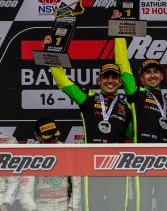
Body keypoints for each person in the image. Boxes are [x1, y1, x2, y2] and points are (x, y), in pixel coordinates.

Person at [44, 35, 133, 210]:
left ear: (120, 81)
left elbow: (133, 135)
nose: (110, 80)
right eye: (105, 76)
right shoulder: (87, 99)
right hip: (92, 164)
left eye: (114, 77)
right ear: (98, 80)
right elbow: (63, 82)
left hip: (118, 166)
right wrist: (50, 53)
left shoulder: (127, 108)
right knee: (93, 207)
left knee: (118, 207)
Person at [114, 35, 167, 211]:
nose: (152, 76)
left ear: (162, 76)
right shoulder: (136, 94)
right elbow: (122, 64)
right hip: (141, 159)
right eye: (148, 72)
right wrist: (119, 31)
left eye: (156, 72)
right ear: (141, 77)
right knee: (141, 205)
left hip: (164, 160)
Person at [19, 116, 82, 211]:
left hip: (65, 206)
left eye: (54, 137)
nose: (52, 142)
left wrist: (71, 208)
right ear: (36, 136)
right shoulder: (31, 155)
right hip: (41, 207)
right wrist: (33, 209)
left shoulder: (69, 152)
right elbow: (25, 192)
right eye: (48, 139)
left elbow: (77, 188)